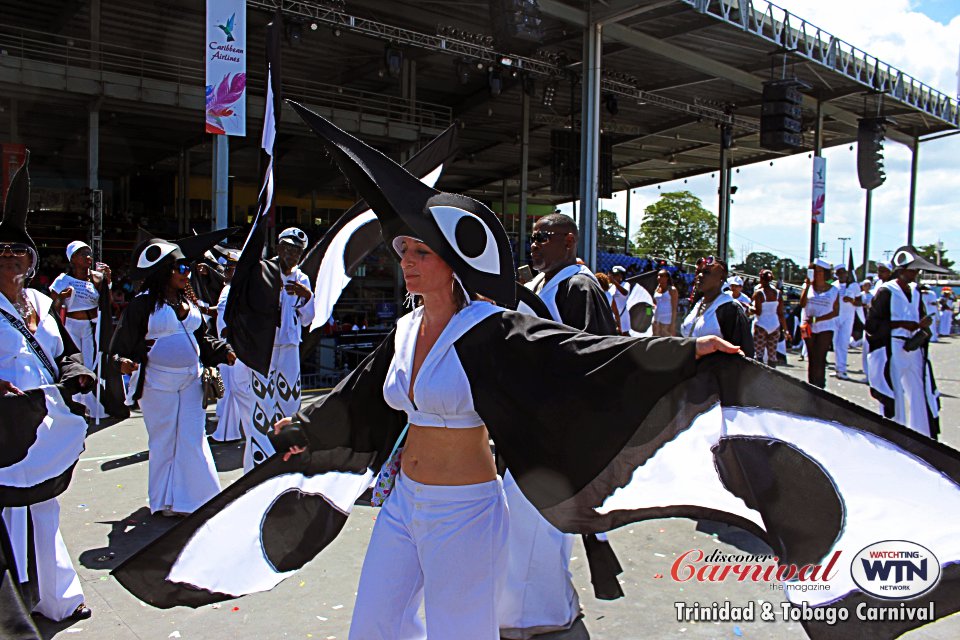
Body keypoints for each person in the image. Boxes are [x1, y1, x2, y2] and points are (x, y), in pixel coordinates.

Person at [271, 106, 740, 640]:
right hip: (403, 503)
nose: (407, 260)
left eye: (422, 251)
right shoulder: (404, 330)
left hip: (465, 510)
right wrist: (304, 429)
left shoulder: (491, 329)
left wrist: (683, 352)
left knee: (460, 632)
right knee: (375, 626)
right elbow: (357, 397)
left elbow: (580, 353)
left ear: (452, 262)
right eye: (404, 250)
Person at [505, 213, 618, 639]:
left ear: (569, 241)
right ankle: (533, 608)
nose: (534, 245)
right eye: (531, 239)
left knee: (540, 525)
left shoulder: (579, 285)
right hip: (527, 424)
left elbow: (595, 356)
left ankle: (542, 613)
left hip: (553, 430)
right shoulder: (541, 284)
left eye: (544, 238)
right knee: (525, 523)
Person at [0, 156, 94, 623]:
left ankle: (57, 598)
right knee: (9, 519)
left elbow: (64, 351)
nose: (13, 257)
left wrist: (77, 372)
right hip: (5, 429)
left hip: (46, 427)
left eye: (20, 250)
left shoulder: (39, 302)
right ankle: (12, 606)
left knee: (45, 510)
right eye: (3, 251)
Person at [110, 236, 237, 516]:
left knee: (192, 437)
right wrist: (124, 362)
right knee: (164, 441)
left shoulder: (189, 302)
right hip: (157, 384)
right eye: (180, 269)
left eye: (187, 268)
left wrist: (224, 350)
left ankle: (197, 500)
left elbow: (203, 339)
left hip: (191, 381)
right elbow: (119, 348)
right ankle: (163, 501)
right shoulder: (142, 305)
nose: (186, 273)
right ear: (163, 272)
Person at [231, 227, 316, 472]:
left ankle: (287, 458)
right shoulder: (264, 271)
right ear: (278, 248)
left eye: (297, 251)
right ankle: (259, 463)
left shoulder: (301, 278)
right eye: (288, 249)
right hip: (264, 348)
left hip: (289, 346)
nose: (292, 255)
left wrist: (307, 296)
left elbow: (309, 319)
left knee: (290, 402)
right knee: (263, 405)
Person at [866, 246, 948, 438]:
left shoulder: (915, 291)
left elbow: (918, 314)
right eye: (913, 270)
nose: (916, 274)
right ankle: (895, 435)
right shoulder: (886, 291)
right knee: (895, 393)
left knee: (920, 390)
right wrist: (902, 324)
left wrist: (921, 324)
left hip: (914, 347)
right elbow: (873, 324)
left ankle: (924, 435)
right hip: (894, 346)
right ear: (902, 270)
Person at [49, 240, 112, 418]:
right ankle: (74, 402)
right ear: (73, 258)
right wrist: (61, 297)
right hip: (70, 326)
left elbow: (107, 301)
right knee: (74, 363)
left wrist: (109, 280)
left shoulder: (96, 278)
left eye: (89, 253)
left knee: (90, 363)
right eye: (83, 253)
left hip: (90, 326)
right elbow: (52, 306)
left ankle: (90, 402)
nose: (88, 257)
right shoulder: (63, 280)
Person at [681, 257, 754, 357]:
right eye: (698, 272)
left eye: (706, 272)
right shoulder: (698, 304)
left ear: (721, 278)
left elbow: (743, 355)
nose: (700, 276)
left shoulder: (730, 308)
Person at [212, 250, 244, 442]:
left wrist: (231, 330)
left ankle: (228, 432)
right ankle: (226, 430)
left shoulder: (240, 289)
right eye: (226, 268)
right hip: (223, 345)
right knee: (227, 388)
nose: (226, 271)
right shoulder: (227, 288)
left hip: (234, 345)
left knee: (235, 388)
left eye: (230, 268)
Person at [799, 259, 839, 389]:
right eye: (815, 271)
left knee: (820, 357)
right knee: (811, 357)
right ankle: (811, 385)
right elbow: (802, 304)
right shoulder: (807, 287)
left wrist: (817, 319)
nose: (817, 274)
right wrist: (808, 286)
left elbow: (835, 312)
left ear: (825, 273)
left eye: (820, 271)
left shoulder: (833, 290)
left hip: (825, 327)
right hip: (807, 327)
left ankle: (820, 385)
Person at [751, 269, 787, 367]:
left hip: (761, 325)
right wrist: (786, 330)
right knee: (772, 353)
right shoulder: (778, 293)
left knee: (759, 353)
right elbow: (780, 313)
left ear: (761, 279)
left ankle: (759, 374)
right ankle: (772, 374)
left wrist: (750, 308)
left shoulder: (759, 293)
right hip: (775, 325)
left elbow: (758, 311)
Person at [832, 265, 860, 380]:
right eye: (839, 273)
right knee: (835, 344)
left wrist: (851, 300)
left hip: (847, 318)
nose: (842, 275)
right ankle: (838, 368)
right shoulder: (833, 286)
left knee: (843, 343)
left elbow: (859, 302)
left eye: (843, 272)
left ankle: (842, 370)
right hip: (835, 318)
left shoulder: (853, 286)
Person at [652, 269, 678, 337]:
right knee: (655, 339)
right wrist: (649, 313)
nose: (658, 278)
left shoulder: (672, 290)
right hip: (656, 320)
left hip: (667, 322)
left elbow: (674, 308)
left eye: (661, 276)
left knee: (665, 342)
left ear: (667, 278)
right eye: (658, 276)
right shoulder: (657, 289)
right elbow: (653, 303)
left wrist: (673, 324)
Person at [608, 265, 631, 335]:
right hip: (613, 315)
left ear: (621, 276)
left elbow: (625, 293)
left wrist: (614, 282)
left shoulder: (626, 284)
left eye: (616, 275)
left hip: (623, 314)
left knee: (624, 335)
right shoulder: (610, 286)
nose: (614, 276)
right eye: (613, 275)